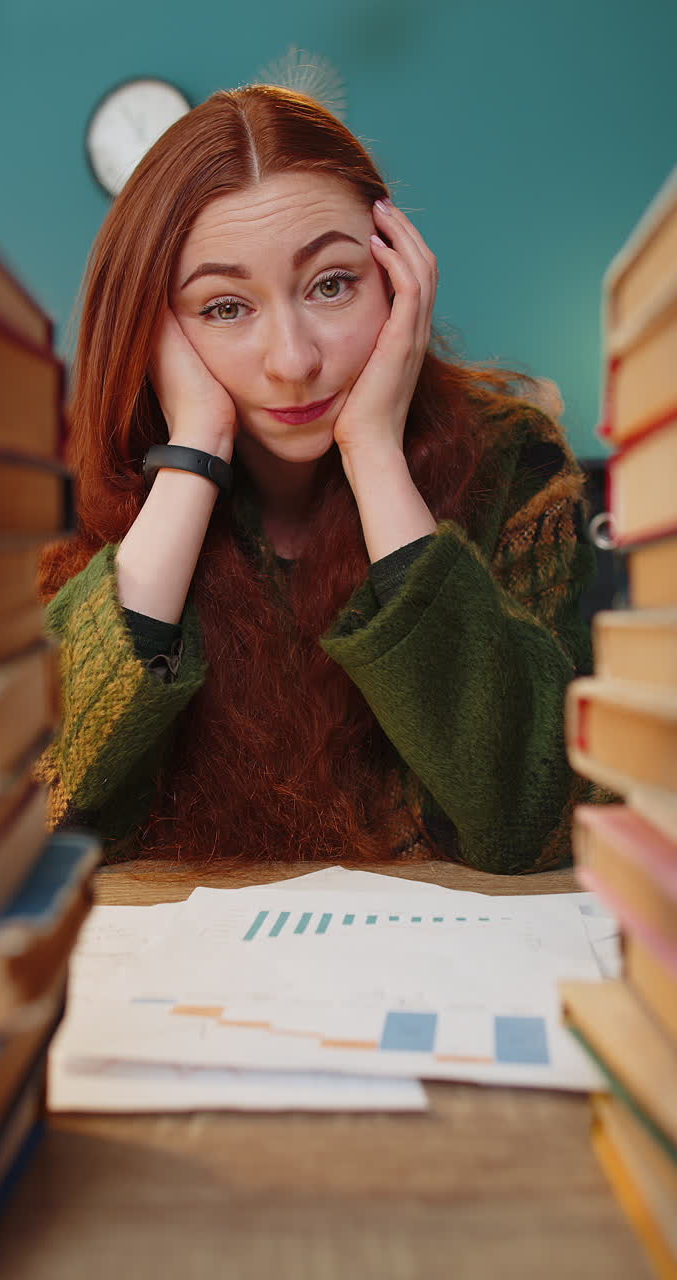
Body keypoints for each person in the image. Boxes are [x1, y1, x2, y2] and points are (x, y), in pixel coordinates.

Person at [37, 84, 603, 874]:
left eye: (331, 284)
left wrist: (375, 451)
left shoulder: (515, 461)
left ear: (399, 280)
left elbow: (540, 820)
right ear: (152, 324)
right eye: (225, 307)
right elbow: (22, 813)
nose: (294, 362)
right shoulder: (64, 492)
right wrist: (195, 454)